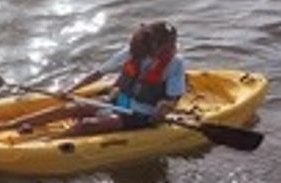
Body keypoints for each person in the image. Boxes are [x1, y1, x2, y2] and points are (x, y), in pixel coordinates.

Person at [11, 21, 186, 136]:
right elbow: (99, 73)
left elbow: (173, 97)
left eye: (172, 42)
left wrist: (162, 110)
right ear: (151, 43)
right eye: (166, 43)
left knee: (87, 124)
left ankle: (48, 142)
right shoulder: (132, 53)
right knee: (71, 107)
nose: (171, 47)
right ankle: (12, 123)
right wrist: (70, 90)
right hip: (118, 101)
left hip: (141, 114)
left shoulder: (175, 63)